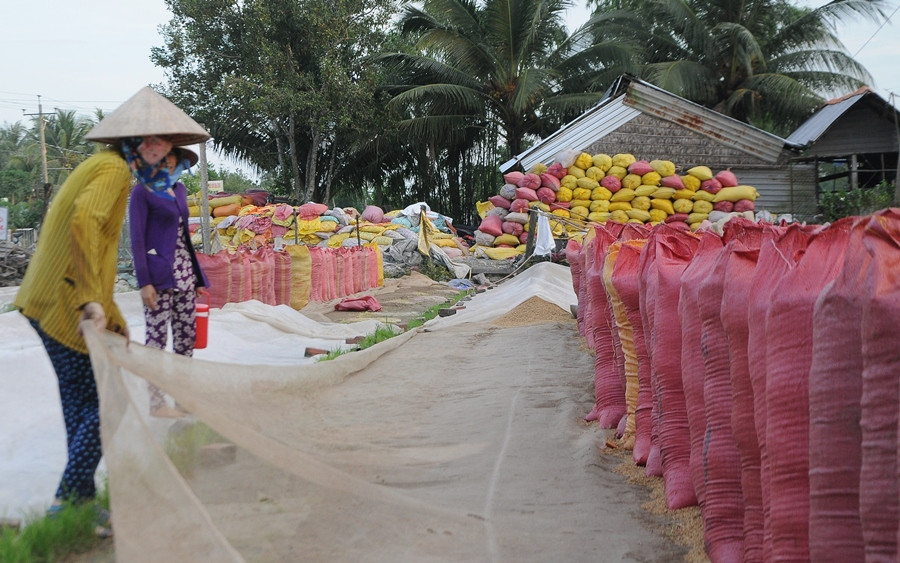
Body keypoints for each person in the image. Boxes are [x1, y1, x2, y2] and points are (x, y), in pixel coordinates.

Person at [13, 86, 209, 537]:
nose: (163, 160)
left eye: (167, 151)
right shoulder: (112, 171)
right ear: (139, 145)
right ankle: (68, 501)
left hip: (48, 298)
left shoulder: (104, 167)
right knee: (107, 404)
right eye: (157, 148)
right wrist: (90, 301)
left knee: (81, 402)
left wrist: (110, 315)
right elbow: (84, 224)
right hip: (62, 301)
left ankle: (79, 501)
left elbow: (97, 244)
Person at [129, 146, 209, 418]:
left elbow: (184, 236)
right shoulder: (142, 191)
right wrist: (144, 282)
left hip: (185, 275)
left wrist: (198, 276)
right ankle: (156, 403)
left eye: (174, 162)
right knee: (156, 341)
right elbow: (137, 238)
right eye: (164, 162)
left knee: (186, 340)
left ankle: (183, 399)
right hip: (158, 277)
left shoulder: (181, 189)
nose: (169, 167)